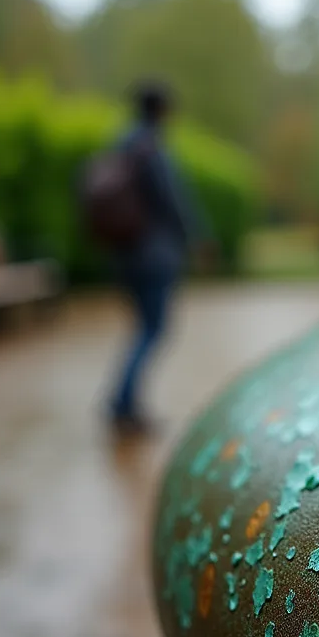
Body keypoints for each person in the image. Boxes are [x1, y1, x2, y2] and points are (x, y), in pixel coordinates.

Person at [106, 80, 207, 436]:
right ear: (162, 110)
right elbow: (173, 200)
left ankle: (124, 404)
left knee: (141, 329)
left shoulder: (120, 144)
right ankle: (122, 407)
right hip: (155, 255)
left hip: (124, 253)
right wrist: (199, 237)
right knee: (153, 330)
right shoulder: (153, 148)